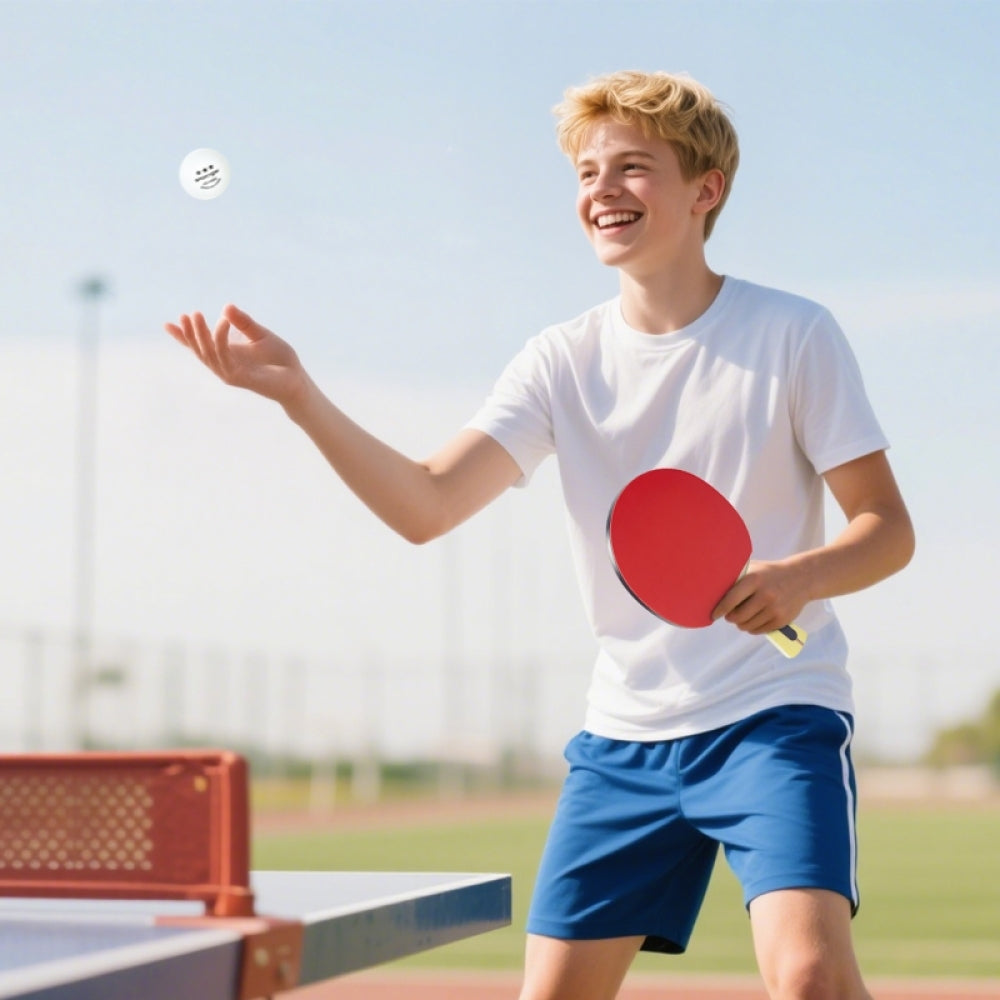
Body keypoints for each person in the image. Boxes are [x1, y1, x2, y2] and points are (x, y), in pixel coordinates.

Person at [165, 70, 914, 1000]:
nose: (602, 189)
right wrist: (300, 397)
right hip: (624, 737)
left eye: (632, 167)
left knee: (809, 975)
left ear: (705, 189)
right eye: (587, 172)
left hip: (773, 716)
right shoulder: (559, 361)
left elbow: (887, 530)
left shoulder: (794, 334)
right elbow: (427, 505)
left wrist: (799, 576)